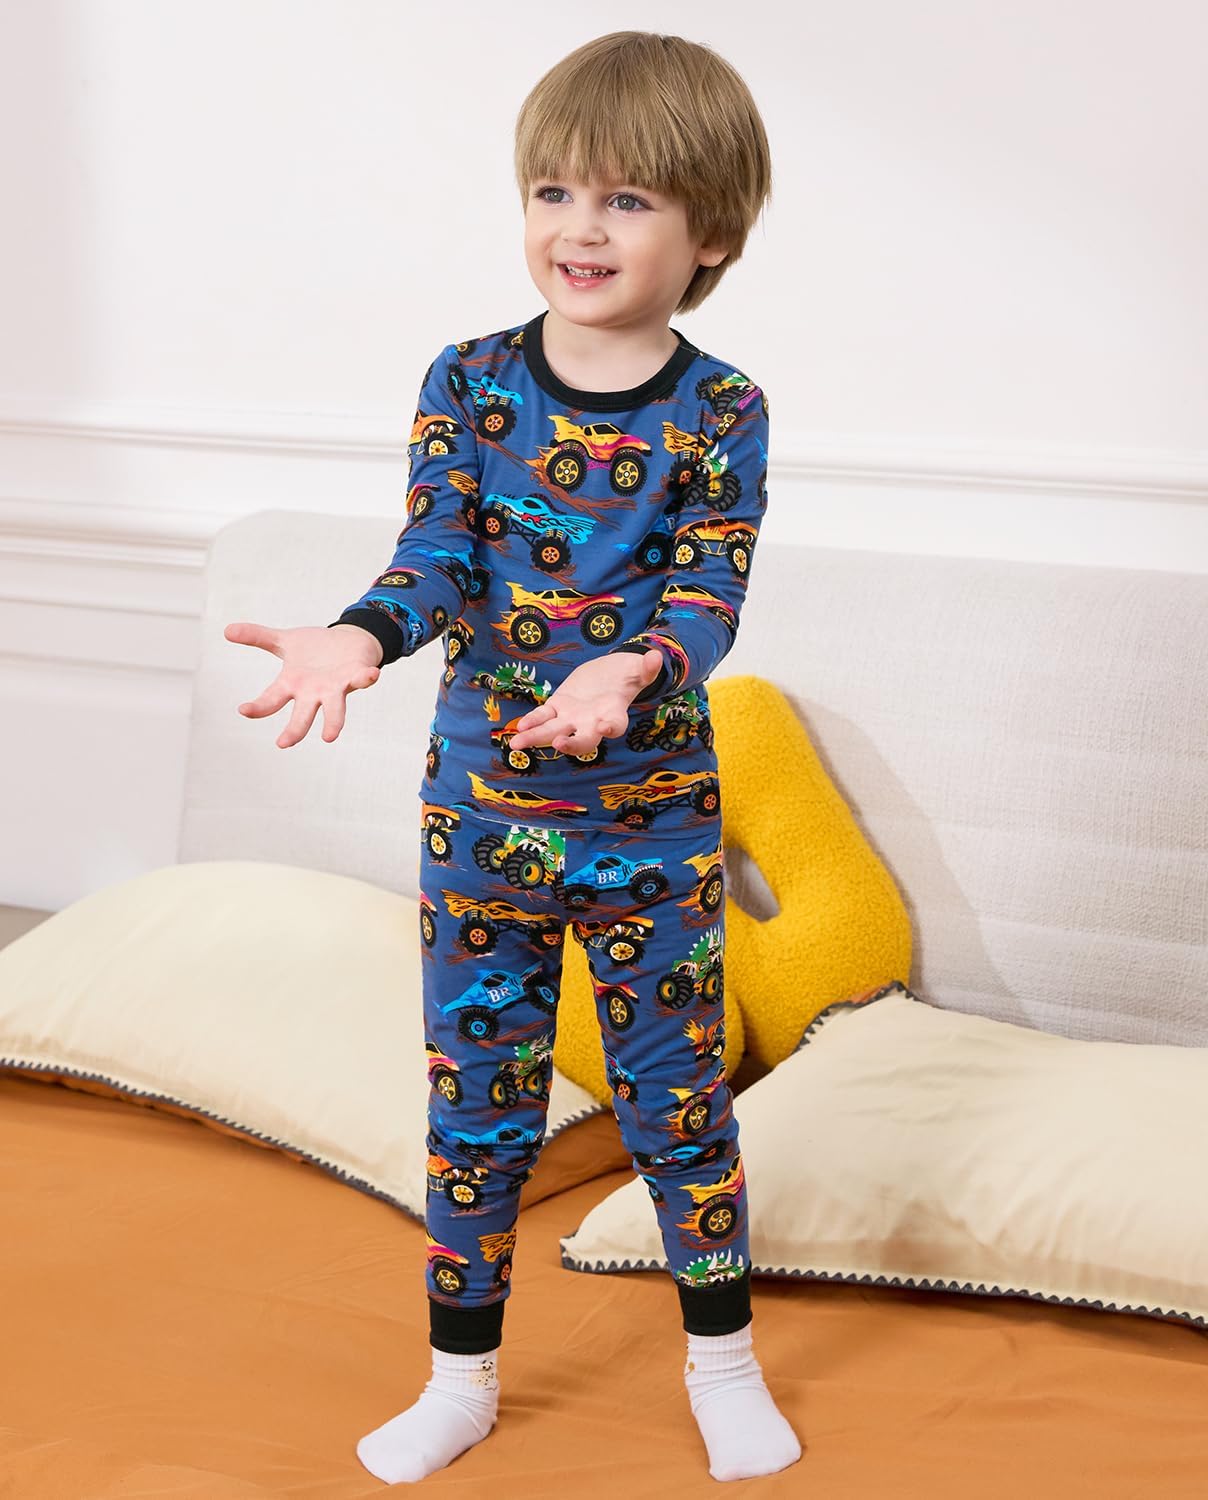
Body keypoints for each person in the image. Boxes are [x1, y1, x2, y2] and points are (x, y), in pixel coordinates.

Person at [226, 28, 800, 1486]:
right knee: (475, 1107)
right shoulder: (470, 379)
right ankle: (459, 1382)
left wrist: (635, 669)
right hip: (479, 823)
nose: (579, 228)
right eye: (554, 191)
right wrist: (360, 635)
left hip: (649, 826)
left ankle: (723, 1366)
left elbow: (709, 590)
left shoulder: (723, 409)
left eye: (626, 200)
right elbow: (435, 556)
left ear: (710, 233)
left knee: (677, 1104)